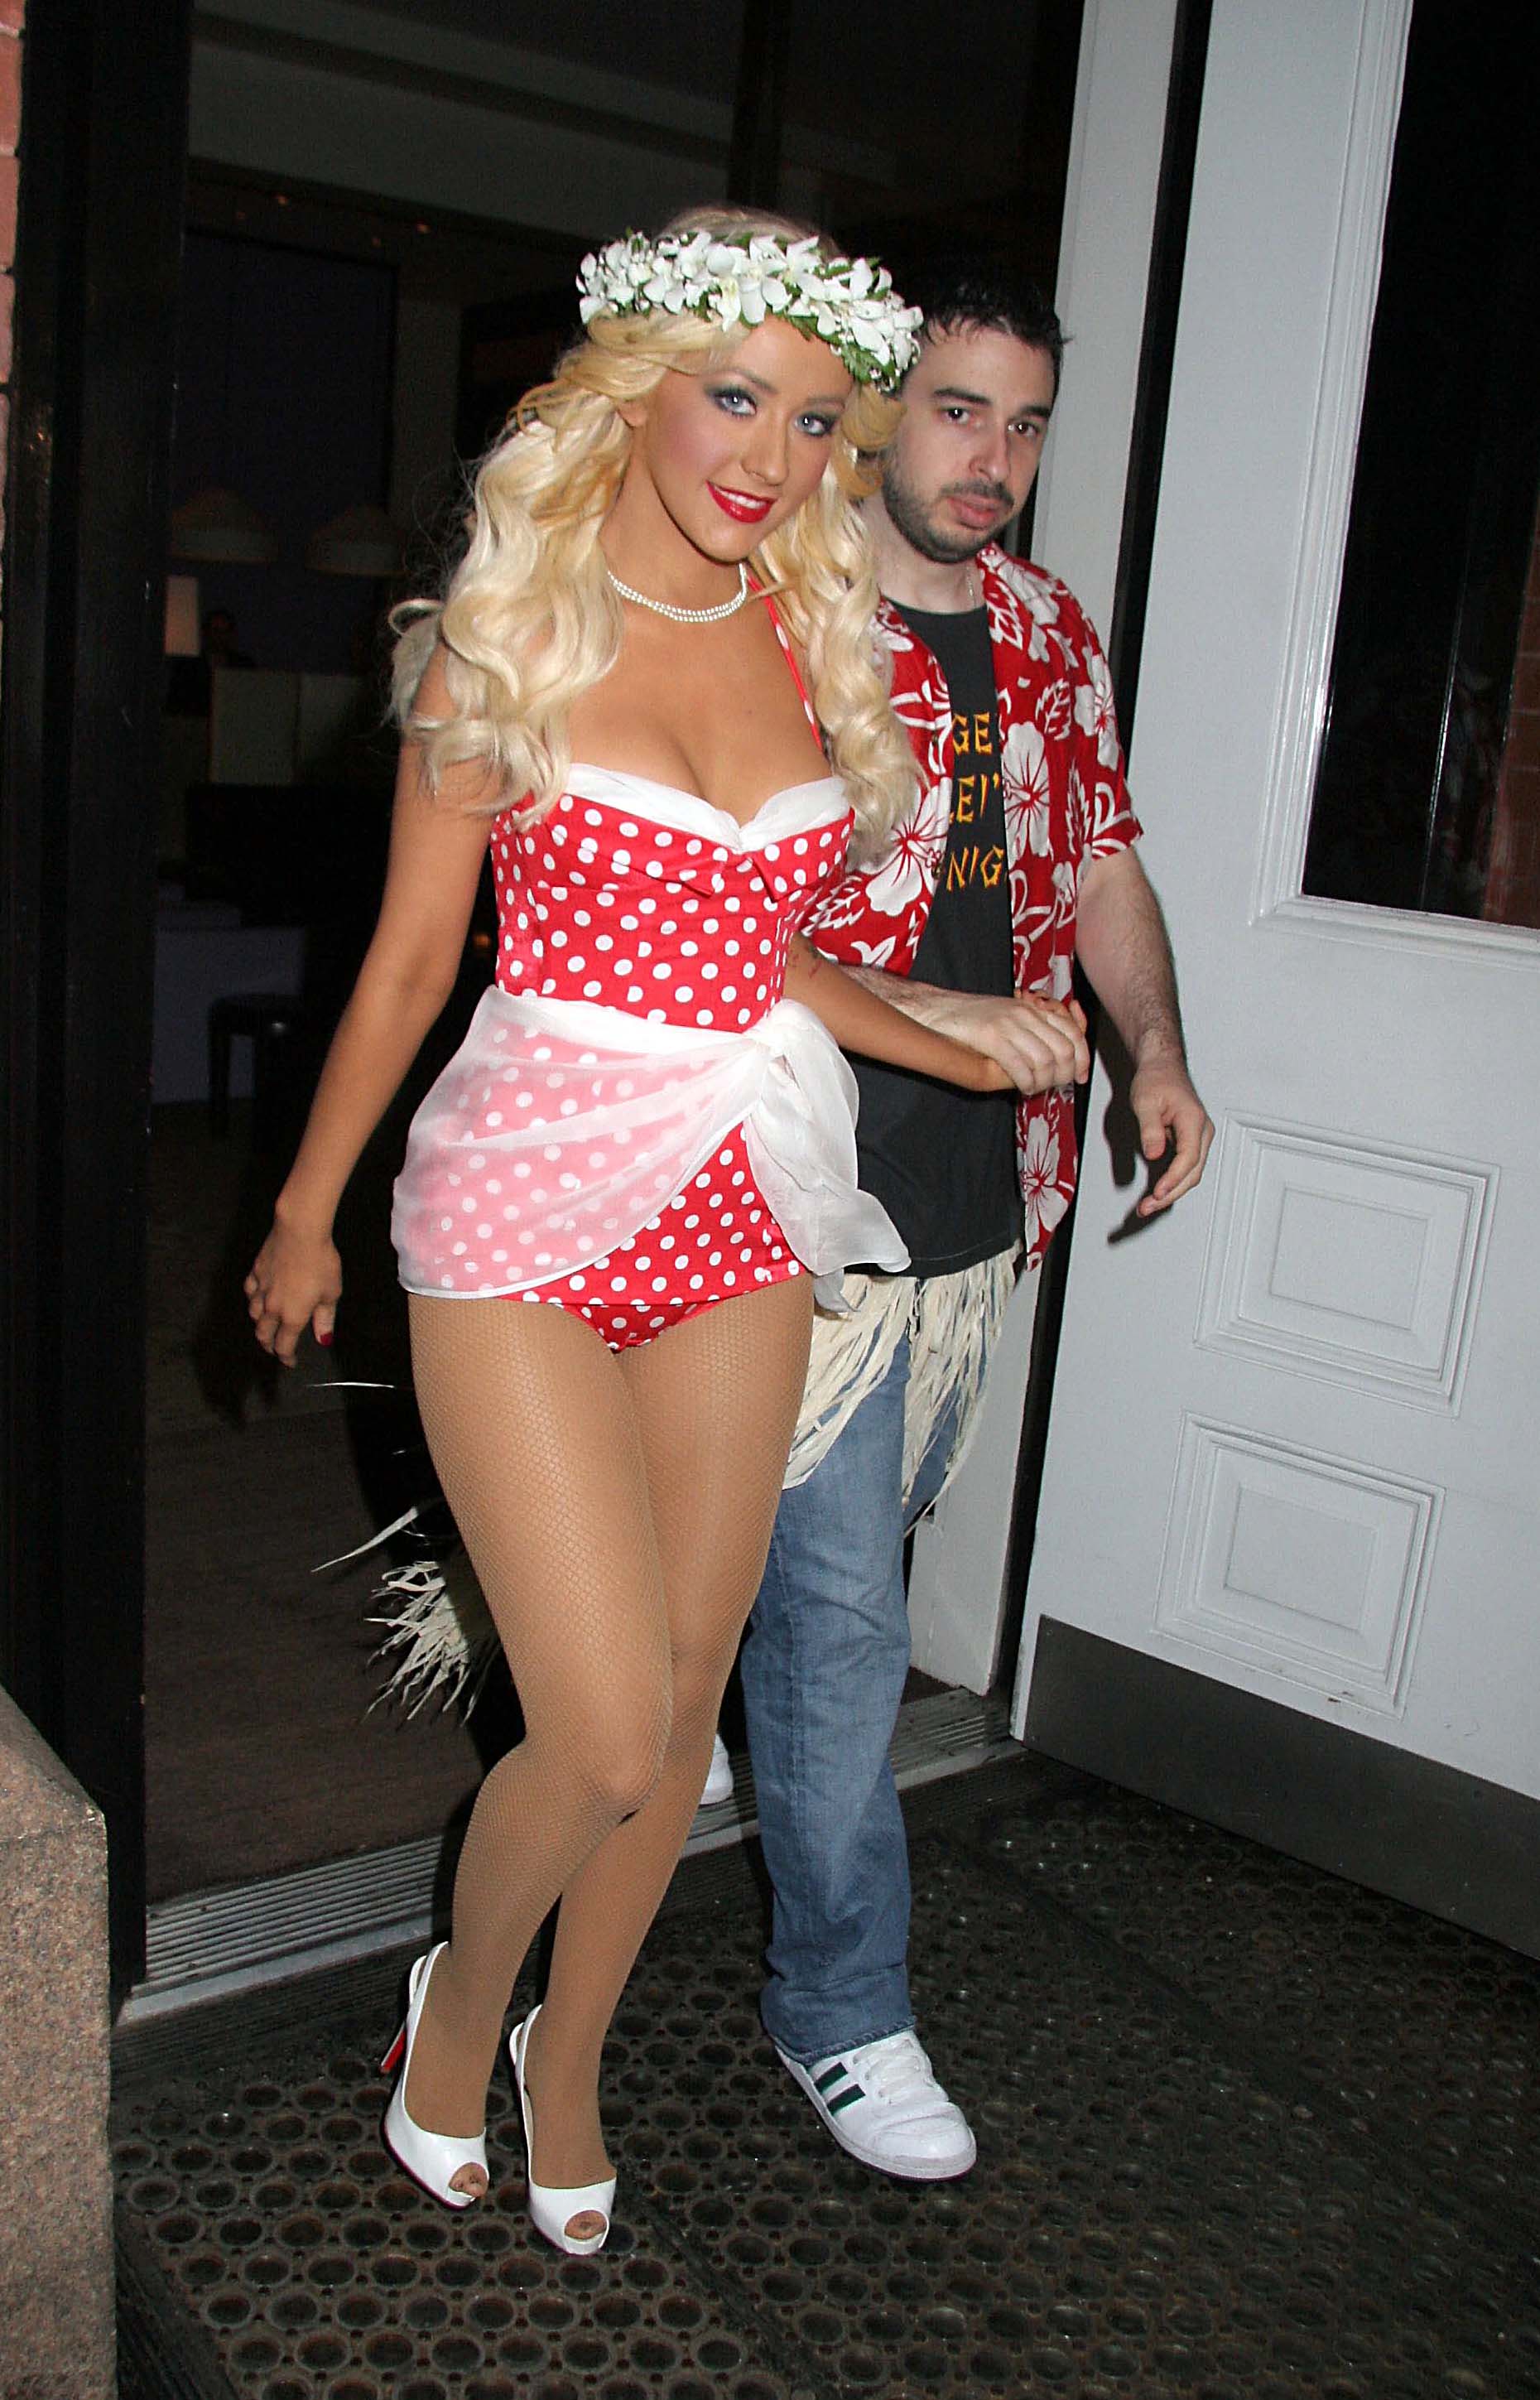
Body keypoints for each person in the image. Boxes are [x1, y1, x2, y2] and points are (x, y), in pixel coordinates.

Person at [243, 210, 1044, 2254]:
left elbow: (772, 963)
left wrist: (958, 1040)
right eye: (734, 398)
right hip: (524, 1206)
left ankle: (570, 2053)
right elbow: (407, 961)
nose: (773, 455)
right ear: (633, 391)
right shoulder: (504, 636)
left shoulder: (808, 638)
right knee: (596, 1730)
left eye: (815, 418)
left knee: (682, 1725)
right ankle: (456, 2013)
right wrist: (304, 1206)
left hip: (738, 1200)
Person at [739, 253, 1215, 2181]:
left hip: (980, 1206)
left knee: (836, 1579)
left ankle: (675, 1719)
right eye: (958, 410)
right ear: (878, 410)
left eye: (1024, 423)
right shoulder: (770, 608)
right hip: (793, 1197)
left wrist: (1154, 1052)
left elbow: (1101, 861)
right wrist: (934, 1020)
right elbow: (694, 924)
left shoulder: (1046, 624)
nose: (994, 458)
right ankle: (841, 2009)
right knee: (847, 1625)